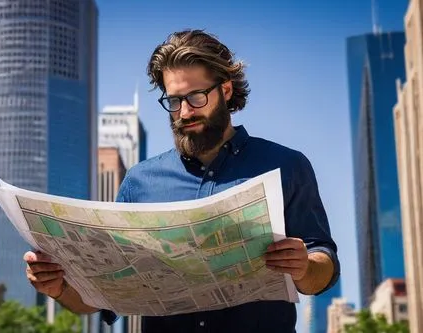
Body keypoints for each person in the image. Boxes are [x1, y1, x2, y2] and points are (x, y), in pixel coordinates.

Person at [24, 29, 340, 333]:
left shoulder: (286, 166)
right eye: (174, 100)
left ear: (225, 91)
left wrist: (305, 266)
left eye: (196, 97)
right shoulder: (140, 182)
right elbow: (102, 299)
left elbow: (323, 269)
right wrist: (59, 288)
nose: (184, 112)